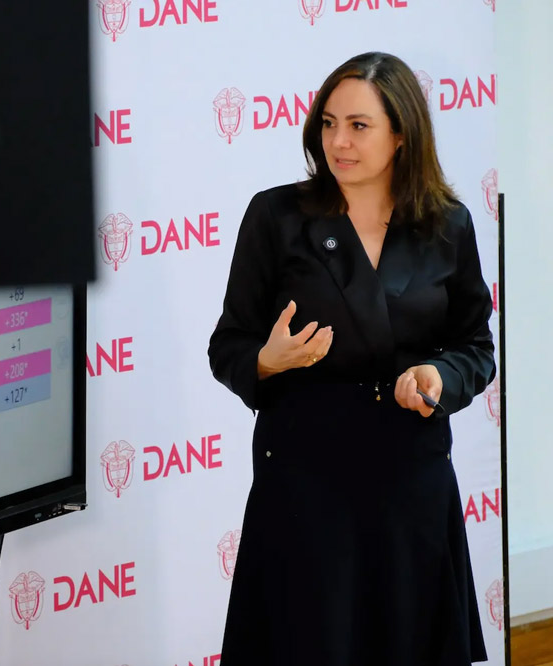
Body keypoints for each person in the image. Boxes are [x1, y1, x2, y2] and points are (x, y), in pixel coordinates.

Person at [207, 52, 495, 666]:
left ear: (401, 134)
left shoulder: (448, 225)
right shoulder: (276, 217)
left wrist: (438, 376)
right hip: (306, 482)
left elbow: (476, 347)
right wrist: (267, 360)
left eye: (358, 126)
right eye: (329, 123)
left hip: (409, 481)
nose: (337, 141)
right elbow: (227, 344)